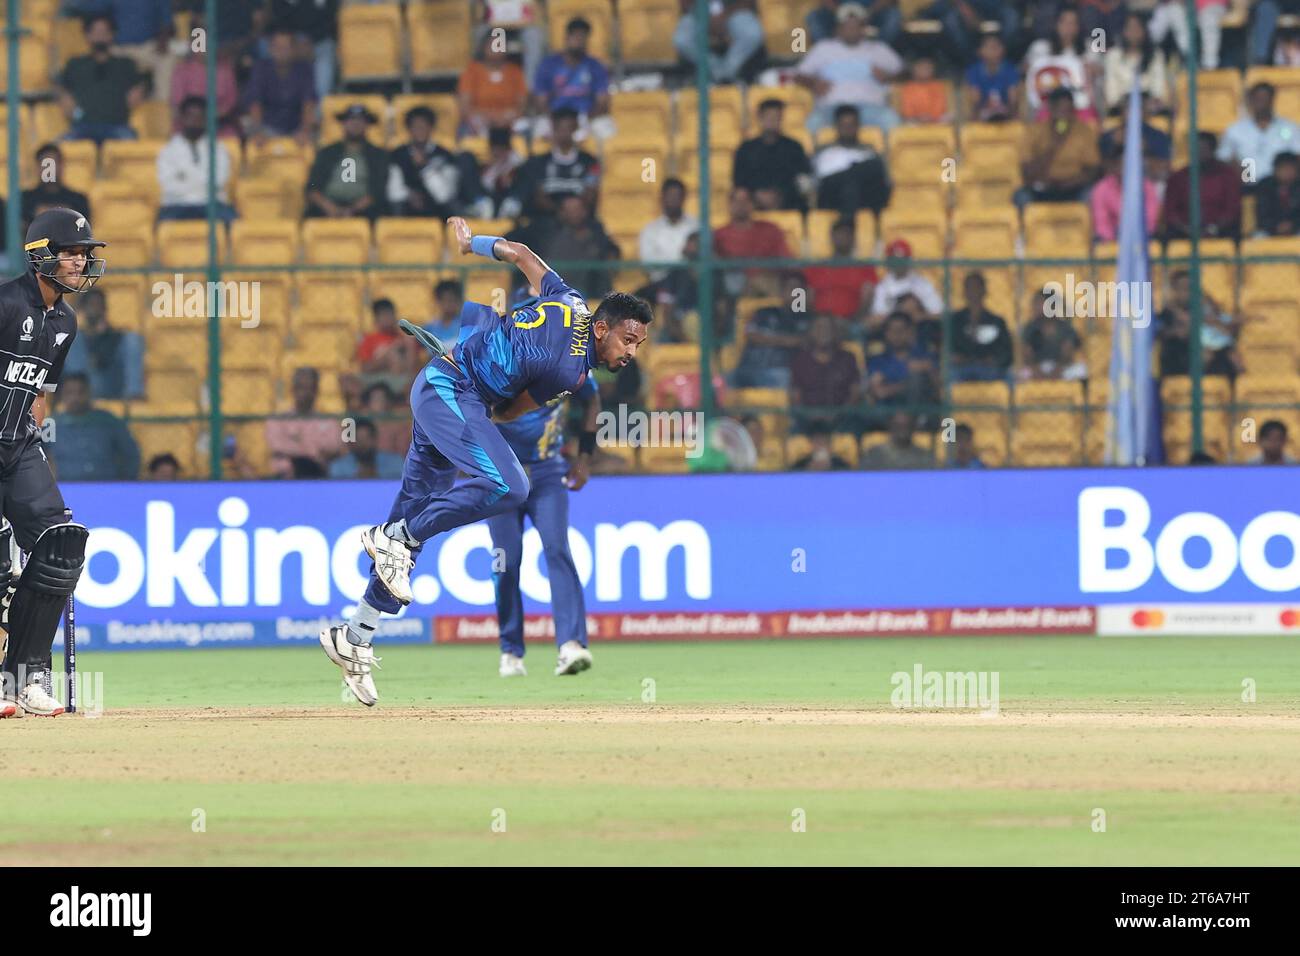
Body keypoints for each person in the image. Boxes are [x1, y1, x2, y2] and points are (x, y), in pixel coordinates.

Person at [317, 216, 652, 707]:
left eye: (639, 345)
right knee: (509, 487)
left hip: (446, 390)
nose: (632, 353)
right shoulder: (571, 372)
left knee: (403, 551)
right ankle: (395, 536)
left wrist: (472, 243)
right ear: (602, 330)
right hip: (450, 389)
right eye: (628, 341)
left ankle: (355, 636)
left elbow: (518, 253)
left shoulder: (571, 301)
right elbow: (512, 410)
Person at [0, 207, 102, 718]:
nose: (80, 262)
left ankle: (22, 675)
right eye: (71, 253)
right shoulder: (4, 303)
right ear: (41, 255)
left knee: (60, 548)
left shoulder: (66, 321)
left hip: (18, 450)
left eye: (84, 254)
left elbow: (40, 393)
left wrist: (35, 450)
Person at [488, 371, 600, 678]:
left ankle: (571, 645)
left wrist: (585, 457)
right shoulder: (496, 355)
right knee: (505, 562)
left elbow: (592, 399)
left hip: (547, 471)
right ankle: (510, 651)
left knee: (557, 550)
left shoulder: (566, 360)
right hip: (499, 475)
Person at [796, 2, 902, 133]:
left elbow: (905, 73)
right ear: (839, 28)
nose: (852, 30)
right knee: (813, 123)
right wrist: (814, 83)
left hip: (870, 107)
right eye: (847, 26)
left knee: (890, 119)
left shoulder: (879, 49)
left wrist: (887, 77)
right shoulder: (823, 48)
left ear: (864, 28)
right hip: (832, 107)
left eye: (856, 26)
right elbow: (799, 76)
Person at [58, 14, 146, 144]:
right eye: (96, 32)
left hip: (117, 126)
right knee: (57, 148)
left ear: (112, 35)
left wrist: (140, 90)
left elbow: (142, 84)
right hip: (82, 126)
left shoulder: (125, 65)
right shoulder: (75, 64)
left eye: (105, 32)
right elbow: (61, 88)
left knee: (133, 146)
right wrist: (66, 99)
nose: (100, 36)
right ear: (87, 35)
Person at [504, 107, 600, 220]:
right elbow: (537, 195)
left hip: (580, 222)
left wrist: (573, 211)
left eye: (569, 128)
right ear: (553, 129)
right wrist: (560, 211)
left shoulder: (589, 162)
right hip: (546, 221)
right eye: (560, 128)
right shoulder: (538, 162)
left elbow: (591, 194)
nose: (565, 133)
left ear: (575, 129)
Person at [386, 106, 480, 219]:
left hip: (438, 209)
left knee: (453, 205)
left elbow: (445, 195)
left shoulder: (445, 155)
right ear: (409, 129)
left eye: (423, 126)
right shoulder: (397, 154)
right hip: (407, 207)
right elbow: (394, 192)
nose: (419, 130)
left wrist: (425, 167)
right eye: (415, 126)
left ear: (431, 128)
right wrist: (410, 195)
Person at [1016, 87, 1101, 210]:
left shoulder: (1084, 132)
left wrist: (1070, 183)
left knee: (1091, 194)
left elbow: (1092, 170)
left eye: (1068, 111)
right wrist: (1054, 145)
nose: (1064, 116)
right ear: (1051, 109)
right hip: (1043, 188)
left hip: (1073, 188)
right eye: (1060, 110)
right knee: (1021, 197)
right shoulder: (1034, 132)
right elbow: (1026, 172)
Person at [44, 373, 140, 481]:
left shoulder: (108, 421)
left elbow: (131, 454)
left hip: (106, 488)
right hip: (65, 488)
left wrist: (124, 484)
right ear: (61, 395)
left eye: (81, 392)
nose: (75, 398)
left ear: (90, 392)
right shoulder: (50, 425)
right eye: (69, 393)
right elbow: (35, 457)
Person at [157, 96, 237, 224]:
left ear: (206, 119)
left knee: (232, 221)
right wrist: (201, 180)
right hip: (177, 205)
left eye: (200, 117)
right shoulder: (168, 151)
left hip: (212, 204)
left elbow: (219, 181)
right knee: (163, 224)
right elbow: (169, 185)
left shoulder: (218, 149)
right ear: (182, 118)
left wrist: (185, 176)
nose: (195, 121)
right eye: (191, 116)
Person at [305, 104, 389, 221]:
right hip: (327, 207)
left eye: (360, 120)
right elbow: (312, 187)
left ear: (367, 125)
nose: (355, 124)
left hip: (363, 210)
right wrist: (330, 208)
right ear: (343, 123)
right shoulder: (327, 152)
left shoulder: (378, 155)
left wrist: (353, 209)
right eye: (351, 119)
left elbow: (378, 191)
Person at [732, 271, 814, 389]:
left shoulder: (809, 319)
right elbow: (751, 335)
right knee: (721, 384)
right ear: (781, 291)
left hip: (780, 374)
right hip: (748, 370)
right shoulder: (764, 312)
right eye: (790, 288)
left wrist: (769, 338)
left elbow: (809, 342)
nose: (795, 294)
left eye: (799, 289)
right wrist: (787, 341)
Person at [531, 17, 612, 135]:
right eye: (576, 36)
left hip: (585, 116)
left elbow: (602, 101)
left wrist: (585, 119)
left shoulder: (595, 66)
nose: (579, 41)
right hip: (555, 116)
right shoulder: (549, 64)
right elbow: (540, 100)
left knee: (605, 129)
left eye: (583, 37)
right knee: (539, 130)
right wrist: (556, 120)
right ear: (566, 38)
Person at [60, 287, 144, 399]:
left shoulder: (118, 337)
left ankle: (134, 397)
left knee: (132, 339)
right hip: (85, 389)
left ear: (104, 308)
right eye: (90, 304)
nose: (94, 308)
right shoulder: (77, 339)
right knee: (72, 339)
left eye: (97, 304)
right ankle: (75, 396)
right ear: (82, 308)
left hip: (112, 385)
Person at [732, 99, 813, 211]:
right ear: (760, 118)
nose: (772, 121)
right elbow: (739, 180)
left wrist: (779, 195)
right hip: (753, 204)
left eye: (776, 117)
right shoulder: (746, 149)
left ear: (781, 119)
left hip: (788, 203)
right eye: (768, 116)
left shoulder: (794, 148)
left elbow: (803, 178)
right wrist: (757, 195)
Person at [241, 27, 318, 142]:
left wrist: (305, 131)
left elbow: (308, 103)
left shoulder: (304, 69)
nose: (281, 52)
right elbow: (255, 103)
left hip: (296, 128)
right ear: (270, 49)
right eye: (277, 47)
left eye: (286, 48)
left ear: (294, 50)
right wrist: (258, 131)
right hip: (266, 128)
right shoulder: (261, 68)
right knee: (246, 126)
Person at [714, 186, 792, 298]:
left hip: (769, 282)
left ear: (753, 204)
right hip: (734, 286)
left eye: (745, 201)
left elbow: (786, 260)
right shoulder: (718, 234)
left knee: (797, 287)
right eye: (736, 201)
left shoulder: (771, 229)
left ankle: (799, 313)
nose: (740, 205)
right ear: (729, 205)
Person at [812, 105, 892, 214]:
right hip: (831, 198)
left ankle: (846, 225)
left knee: (870, 170)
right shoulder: (824, 152)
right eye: (843, 125)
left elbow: (883, 184)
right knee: (852, 181)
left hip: (863, 198)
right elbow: (817, 184)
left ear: (858, 126)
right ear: (836, 126)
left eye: (851, 125)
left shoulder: (869, 152)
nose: (848, 129)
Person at [1024, 5, 1098, 123]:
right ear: (1055, 24)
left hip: (1078, 106)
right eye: (1064, 22)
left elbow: (1098, 71)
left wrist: (1092, 71)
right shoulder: (1040, 48)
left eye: (1073, 23)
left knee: (1090, 121)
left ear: (1079, 27)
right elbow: (1028, 73)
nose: (1068, 27)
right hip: (1049, 105)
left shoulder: (1089, 48)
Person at [1162, 132, 1241, 240]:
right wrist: (1186, 229)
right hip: (1184, 232)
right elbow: (1170, 212)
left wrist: (1213, 228)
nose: (1199, 153)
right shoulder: (1178, 178)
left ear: (1213, 150)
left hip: (1220, 231)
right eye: (1195, 149)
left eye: (1203, 149)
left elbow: (1232, 209)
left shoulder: (1227, 175)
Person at [791, 314, 862, 433]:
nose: (823, 332)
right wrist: (811, 416)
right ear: (811, 332)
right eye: (818, 328)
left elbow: (855, 393)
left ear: (836, 332)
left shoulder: (848, 358)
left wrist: (838, 414)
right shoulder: (800, 360)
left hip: (842, 420)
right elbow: (795, 397)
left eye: (828, 328)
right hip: (807, 422)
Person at [1219, 83, 1300, 187]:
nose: (1262, 103)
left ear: (1272, 99)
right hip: (1247, 186)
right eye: (1258, 99)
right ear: (1251, 100)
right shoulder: (1235, 130)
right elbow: (1223, 158)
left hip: (1281, 189)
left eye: (1265, 98)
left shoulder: (1289, 127)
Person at [266, 367, 342, 473]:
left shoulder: (328, 420)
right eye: (300, 387)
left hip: (319, 474)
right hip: (286, 477)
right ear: (293, 389)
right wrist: (314, 452)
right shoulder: (278, 420)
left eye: (309, 387)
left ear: (316, 390)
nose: (304, 392)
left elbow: (335, 446)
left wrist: (298, 446)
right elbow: (278, 447)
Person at [674, 0, 766, 85]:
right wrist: (707, 17)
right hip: (698, 14)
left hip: (734, 12)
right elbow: (685, 3)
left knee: (752, 34)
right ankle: (718, 73)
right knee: (682, 39)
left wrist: (725, 15)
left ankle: (727, 73)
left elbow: (748, 2)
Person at [803, 217, 876, 321]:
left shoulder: (865, 268)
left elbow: (868, 298)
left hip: (852, 322)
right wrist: (807, 317)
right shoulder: (815, 267)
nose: (843, 237)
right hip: (819, 322)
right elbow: (804, 295)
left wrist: (855, 321)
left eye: (847, 233)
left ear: (853, 238)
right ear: (831, 236)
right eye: (839, 233)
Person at [458, 32, 529, 137]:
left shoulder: (515, 72)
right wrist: (489, 117)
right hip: (480, 120)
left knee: (524, 126)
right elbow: (465, 107)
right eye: (492, 45)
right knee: (470, 126)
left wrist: (506, 118)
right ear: (484, 47)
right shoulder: (472, 71)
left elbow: (522, 105)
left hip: (509, 120)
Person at [947, 272, 1013, 383]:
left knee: (1010, 377)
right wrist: (956, 358)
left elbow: (1006, 352)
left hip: (989, 369)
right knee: (950, 376)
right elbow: (948, 348)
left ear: (984, 290)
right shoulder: (954, 321)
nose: (973, 291)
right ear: (964, 291)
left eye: (976, 287)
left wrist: (994, 360)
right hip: (961, 368)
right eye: (969, 287)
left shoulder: (997, 321)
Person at [1090, 140, 1161, 242]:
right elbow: (1101, 223)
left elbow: (1151, 219)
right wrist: (1114, 241)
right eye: (1122, 163)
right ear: (1114, 165)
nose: (1126, 167)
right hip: (1110, 241)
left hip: (1143, 239)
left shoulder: (1147, 186)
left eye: (1131, 163)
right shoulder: (1101, 188)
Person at [1102, 13, 1170, 118]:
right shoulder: (1113, 55)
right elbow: (1112, 90)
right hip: (1122, 107)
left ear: (1144, 31)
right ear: (1123, 31)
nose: (1134, 32)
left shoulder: (1156, 55)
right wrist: (1122, 105)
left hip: (1149, 106)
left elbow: (1159, 86)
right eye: (1130, 28)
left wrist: (1149, 103)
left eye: (1137, 27)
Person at [20, 144, 91, 232]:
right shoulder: (24, 199)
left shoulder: (78, 200)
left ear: (62, 165)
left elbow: (83, 233)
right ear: (37, 167)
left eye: (53, 163)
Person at [639, 178, 698, 282]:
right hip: (661, 285)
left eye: (677, 196)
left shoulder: (696, 226)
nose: (673, 200)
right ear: (662, 198)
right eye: (670, 196)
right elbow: (648, 263)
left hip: (690, 285)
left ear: (683, 198)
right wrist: (682, 258)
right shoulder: (650, 230)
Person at [963, 31, 1021, 123]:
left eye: (997, 47)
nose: (994, 51)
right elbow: (975, 100)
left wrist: (1008, 112)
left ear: (1003, 49)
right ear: (980, 51)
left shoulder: (1011, 69)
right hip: (982, 114)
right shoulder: (973, 71)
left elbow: (1013, 99)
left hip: (1005, 114)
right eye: (990, 47)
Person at [329, 418, 404, 480]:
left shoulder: (396, 463)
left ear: (375, 439)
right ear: (350, 442)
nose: (362, 444)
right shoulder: (339, 467)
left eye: (366, 438)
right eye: (358, 439)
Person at [861, 410, 933, 469]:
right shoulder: (875, 455)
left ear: (912, 427)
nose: (902, 432)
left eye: (906, 426)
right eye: (898, 426)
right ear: (890, 426)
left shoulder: (924, 457)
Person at [1255, 151, 1300, 236]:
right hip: (1269, 230)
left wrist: (1292, 225)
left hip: (1296, 229)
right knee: (1258, 236)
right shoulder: (1265, 186)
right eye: (1285, 168)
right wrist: (1276, 227)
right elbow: (1262, 214)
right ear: (1276, 169)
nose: (1288, 172)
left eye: (1291, 169)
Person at [898, 55, 951, 124]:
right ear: (915, 70)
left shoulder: (937, 86)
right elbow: (907, 110)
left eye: (928, 68)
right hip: (915, 120)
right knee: (907, 122)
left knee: (948, 117)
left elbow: (940, 106)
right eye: (921, 68)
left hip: (935, 118)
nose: (925, 71)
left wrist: (931, 116)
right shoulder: (908, 88)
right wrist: (919, 117)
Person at [425, 279, 465, 351]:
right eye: (448, 300)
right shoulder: (430, 328)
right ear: (438, 301)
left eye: (454, 300)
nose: (451, 304)